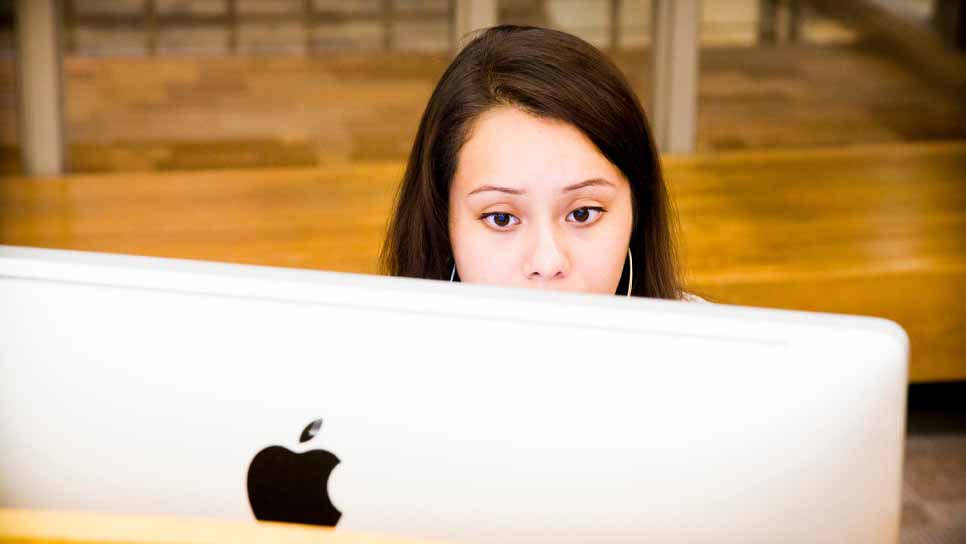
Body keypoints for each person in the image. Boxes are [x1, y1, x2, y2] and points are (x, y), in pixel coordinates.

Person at [380, 25, 705, 302]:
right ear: (442, 226)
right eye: (502, 218)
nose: (547, 262)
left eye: (582, 213)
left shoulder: (716, 358)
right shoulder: (373, 367)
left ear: (636, 212)